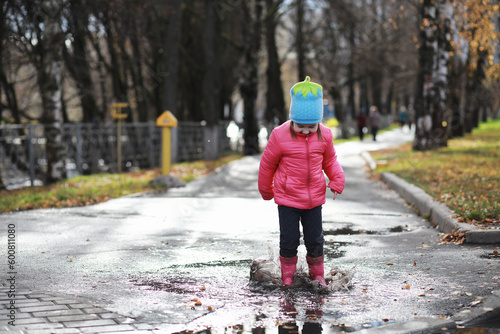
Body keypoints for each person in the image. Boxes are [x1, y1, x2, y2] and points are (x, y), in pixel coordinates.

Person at [258, 76, 345, 287]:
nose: (306, 131)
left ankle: (318, 276)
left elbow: (330, 160)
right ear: (292, 119)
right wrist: (266, 190)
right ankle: (287, 277)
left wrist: (337, 178)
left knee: (316, 239)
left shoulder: (325, 135)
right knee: (289, 240)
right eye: (300, 126)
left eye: (311, 126)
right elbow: (267, 164)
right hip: (287, 200)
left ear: (319, 121)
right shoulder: (279, 135)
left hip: (314, 200)